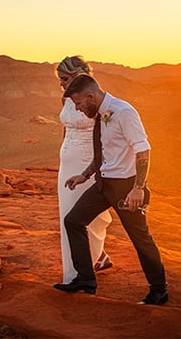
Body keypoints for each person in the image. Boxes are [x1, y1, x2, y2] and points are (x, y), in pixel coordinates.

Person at [53, 74, 168, 306]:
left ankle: (159, 290)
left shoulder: (124, 113)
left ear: (91, 96)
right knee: (73, 221)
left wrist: (138, 188)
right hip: (103, 184)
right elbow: (103, 152)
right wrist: (83, 175)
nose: (77, 108)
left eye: (78, 104)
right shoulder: (100, 114)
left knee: (140, 238)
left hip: (126, 188)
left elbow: (143, 150)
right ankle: (85, 278)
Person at [56, 56, 113, 284]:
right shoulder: (67, 99)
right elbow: (66, 129)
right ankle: (94, 260)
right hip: (67, 164)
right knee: (66, 216)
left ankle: (83, 270)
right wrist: (63, 154)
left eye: (65, 78)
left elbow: (105, 134)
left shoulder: (94, 97)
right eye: (60, 79)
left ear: (79, 75)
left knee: (88, 216)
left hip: (87, 164)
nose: (61, 83)